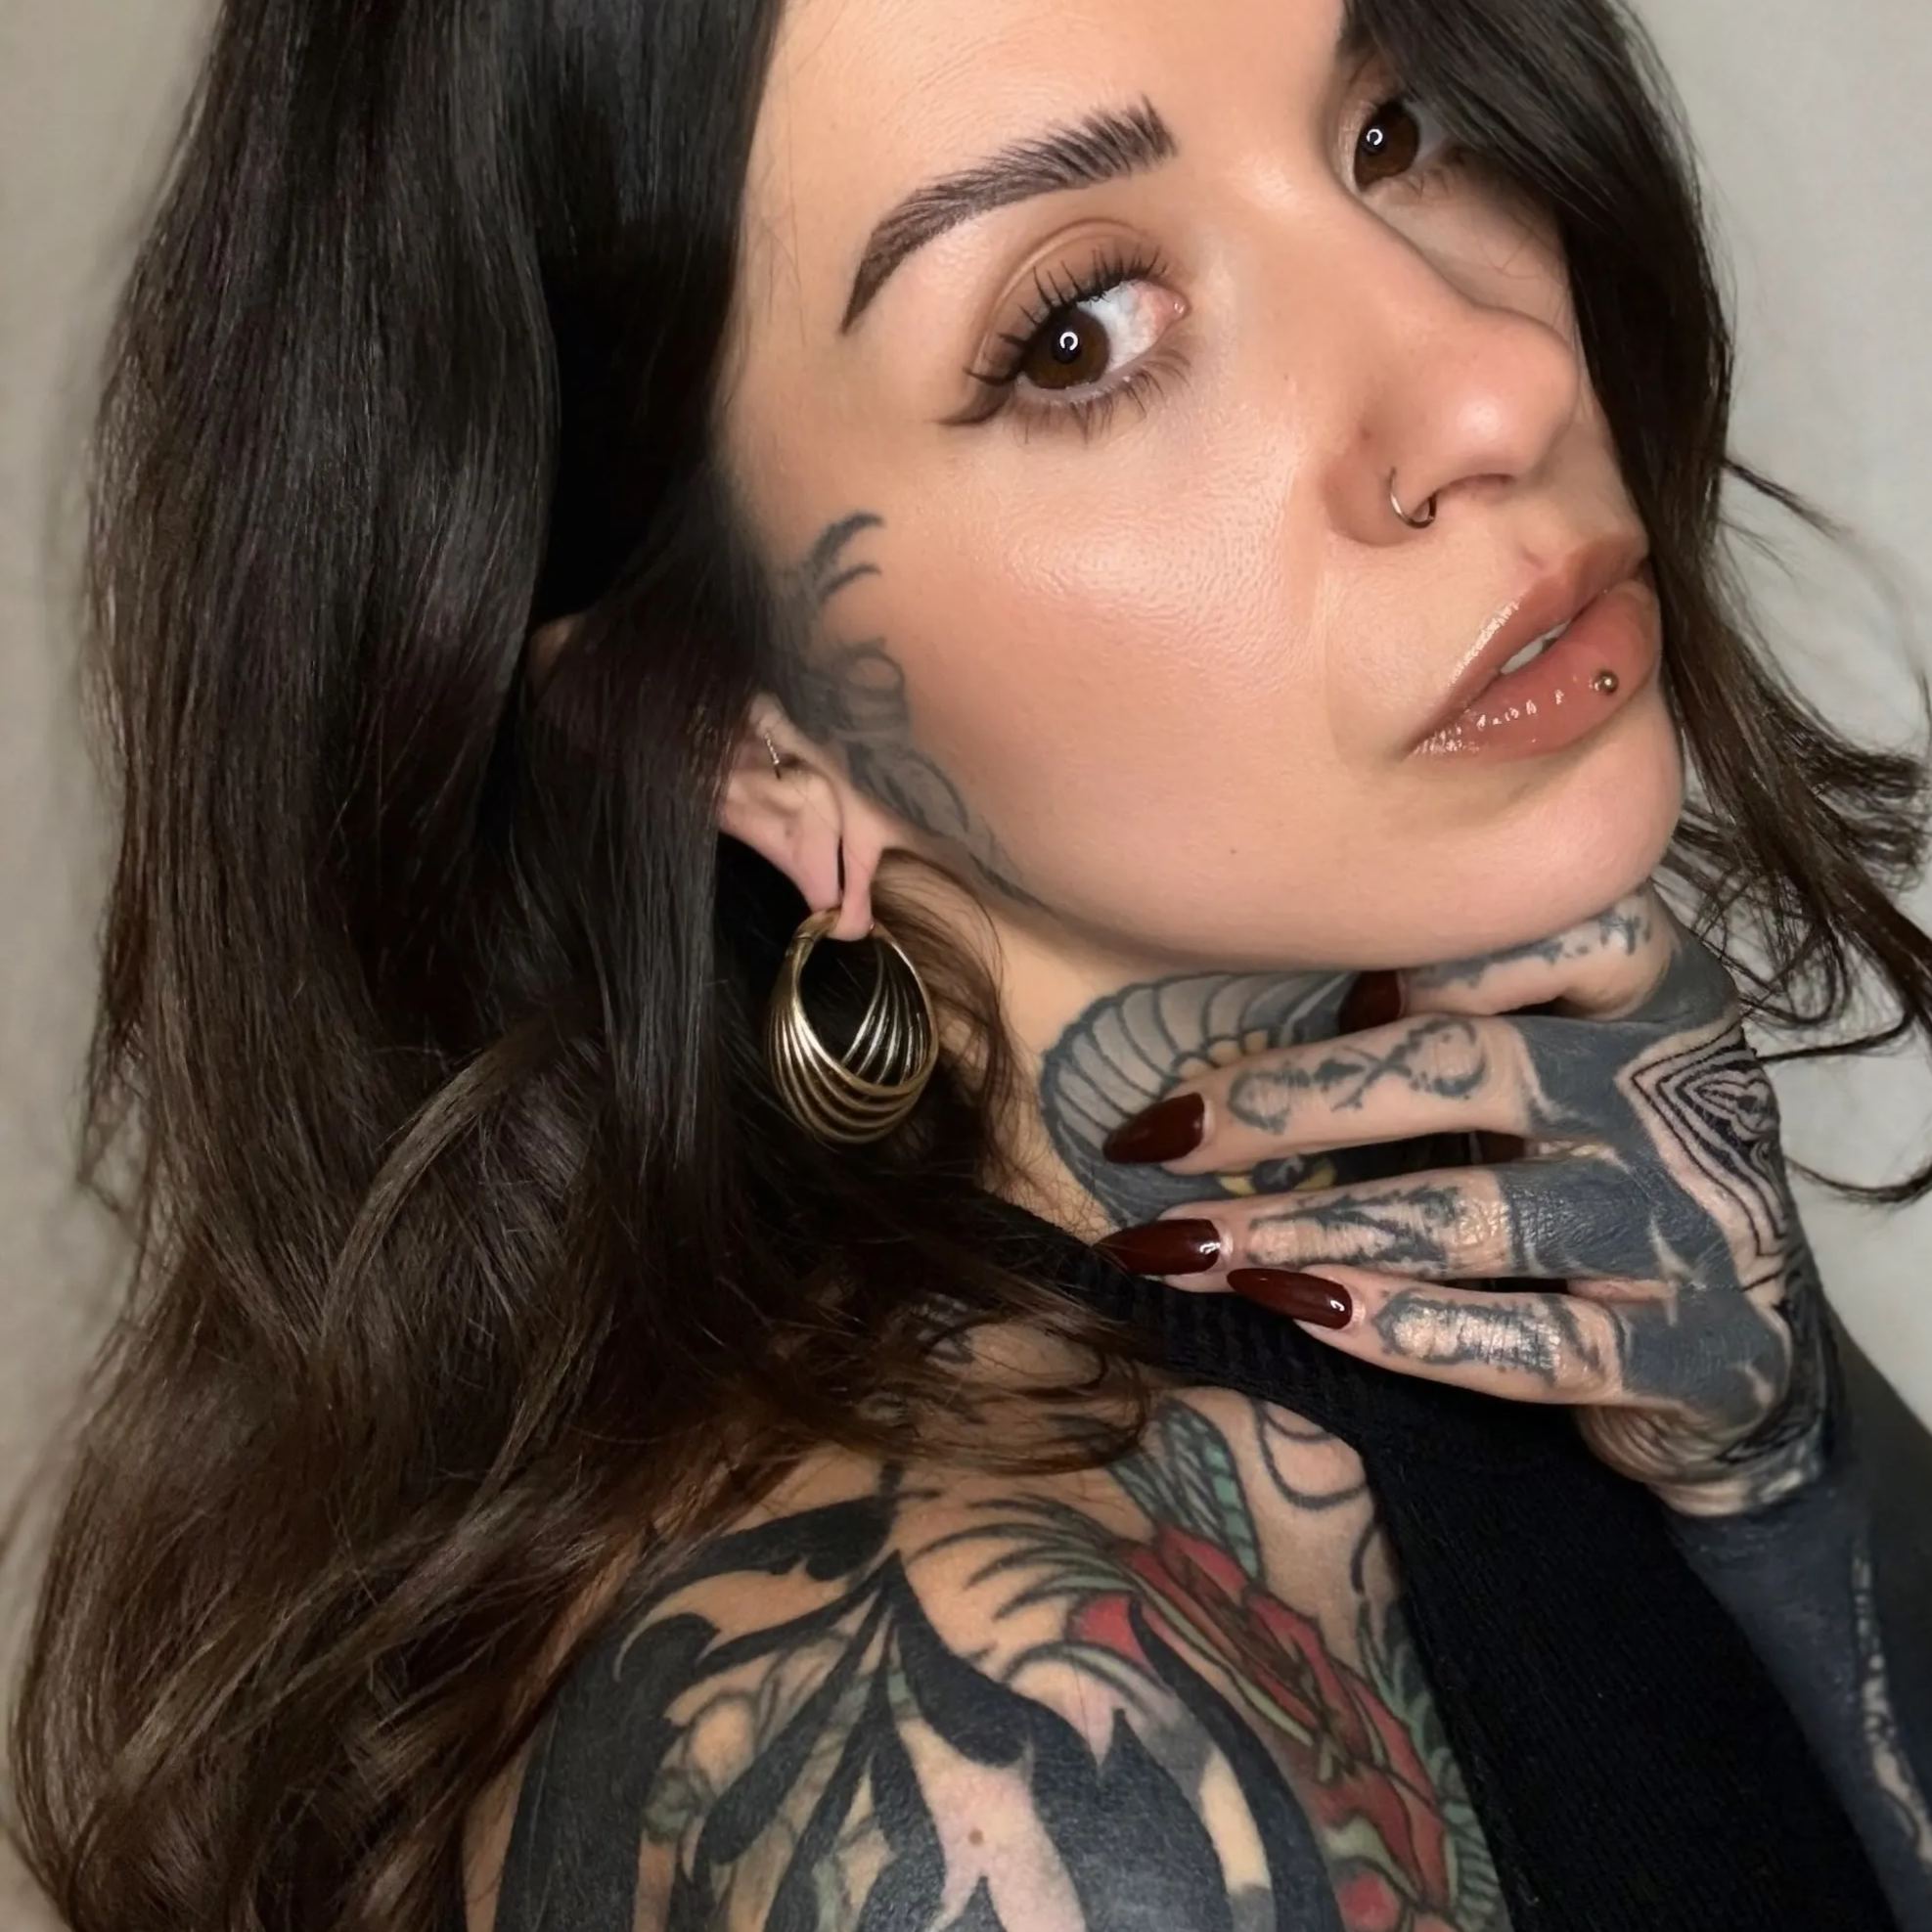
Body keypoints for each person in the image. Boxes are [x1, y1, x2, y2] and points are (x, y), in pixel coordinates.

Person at [7, 0, 1932, 1926]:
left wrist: (1788, 1489)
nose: (1495, 379)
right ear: (732, 729)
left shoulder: (1576, 1266)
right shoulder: (1009, 1780)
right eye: (1078, 331)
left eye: (1392, 131)